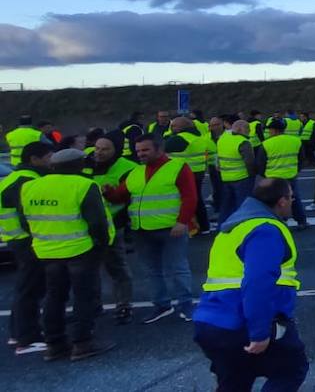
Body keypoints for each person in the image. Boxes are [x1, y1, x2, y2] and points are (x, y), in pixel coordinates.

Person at [193, 178, 309, 391]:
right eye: (291, 197)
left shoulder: (233, 227)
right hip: (242, 323)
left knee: (235, 381)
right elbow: (258, 283)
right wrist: (259, 332)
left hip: (211, 322)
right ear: (282, 201)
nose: (292, 202)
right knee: (291, 370)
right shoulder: (266, 229)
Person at [19, 148, 115, 361]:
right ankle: (82, 343)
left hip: (46, 250)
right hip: (80, 249)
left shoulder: (30, 186)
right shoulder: (83, 185)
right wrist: (101, 244)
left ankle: (54, 344)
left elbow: (24, 219)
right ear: (79, 164)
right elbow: (97, 222)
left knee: (54, 296)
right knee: (84, 296)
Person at [105, 135, 198, 323]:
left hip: (170, 228)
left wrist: (182, 222)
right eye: (138, 150)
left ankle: (186, 304)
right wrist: (109, 193)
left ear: (159, 149)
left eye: (145, 150)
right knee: (151, 271)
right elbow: (121, 196)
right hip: (142, 230)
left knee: (178, 269)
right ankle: (162, 305)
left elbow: (190, 197)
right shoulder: (136, 172)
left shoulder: (178, 167)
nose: (140, 154)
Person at [1, 141, 53, 355]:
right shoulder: (26, 181)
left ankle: (18, 333)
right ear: (34, 159)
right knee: (31, 288)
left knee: (25, 287)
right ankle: (28, 339)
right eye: (49, 157)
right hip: (27, 241)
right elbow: (28, 216)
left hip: (17, 239)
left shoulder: (16, 177)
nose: (51, 161)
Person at [86, 136, 137, 325]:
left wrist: (110, 194)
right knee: (89, 269)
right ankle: (93, 305)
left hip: (113, 224)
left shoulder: (128, 167)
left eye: (105, 149)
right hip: (86, 225)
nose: (99, 152)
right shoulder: (85, 164)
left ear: (116, 150)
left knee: (117, 267)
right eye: (97, 148)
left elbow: (129, 197)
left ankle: (124, 305)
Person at [165, 117, 212, 235]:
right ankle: (204, 226)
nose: (171, 128)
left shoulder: (181, 138)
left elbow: (162, 148)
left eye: (174, 126)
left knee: (185, 200)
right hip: (198, 172)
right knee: (198, 199)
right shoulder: (200, 138)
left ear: (182, 127)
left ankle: (190, 227)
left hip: (184, 173)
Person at [260, 120, 309, 230]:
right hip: (290, 175)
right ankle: (302, 221)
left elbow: (260, 163)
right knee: (294, 199)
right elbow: (302, 159)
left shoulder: (266, 144)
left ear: (274, 130)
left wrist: (265, 175)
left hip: (273, 177)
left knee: (274, 201)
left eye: (270, 130)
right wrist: (295, 170)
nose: (269, 132)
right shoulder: (296, 141)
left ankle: (279, 222)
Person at [217, 121, 258, 220]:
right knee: (243, 205)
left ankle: (222, 225)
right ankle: (243, 224)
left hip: (225, 177)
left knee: (226, 207)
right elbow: (250, 162)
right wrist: (252, 175)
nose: (249, 132)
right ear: (240, 129)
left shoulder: (222, 138)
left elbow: (218, 158)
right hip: (242, 178)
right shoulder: (243, 142)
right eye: (247, 129)